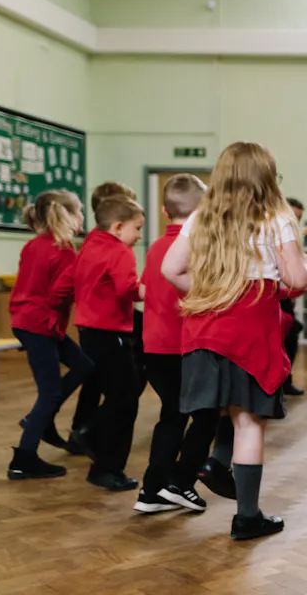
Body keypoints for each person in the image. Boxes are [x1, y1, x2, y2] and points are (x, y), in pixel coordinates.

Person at [162, 142, 307, 541]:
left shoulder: (201, 216)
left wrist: (213, 290)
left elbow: (171, 268)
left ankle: (216, 463)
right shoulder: (275, 216)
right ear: (265, 174)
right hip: (249, 330)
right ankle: (247, 517)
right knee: (248, 422)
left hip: (204, 330)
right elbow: (296, 280)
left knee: (224, 412)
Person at [133, 174, 218, 514]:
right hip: (187, 348)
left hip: (154, 348)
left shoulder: (154, 248)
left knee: (171, 416)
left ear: (165, 213)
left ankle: (151, 491)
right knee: (208, 416)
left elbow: (143, 292)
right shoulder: (200, 247)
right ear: (205, 211)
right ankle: (181, 482)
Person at [7, 191, 93, 480]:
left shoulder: (34, 244)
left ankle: (38, 420)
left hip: (29, 322)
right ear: (64, 215)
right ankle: (23, 458)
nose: (83, 217)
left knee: (84, 366)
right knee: (50, 392)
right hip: (39, 325)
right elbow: (59, 295)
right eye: (79, 211)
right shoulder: (64, 251)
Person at [61, 195, 145, 491]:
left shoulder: (89, 247)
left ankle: (90, 432)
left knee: (119, 394)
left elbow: (67, 284)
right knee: (125, 399)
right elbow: (128, 289)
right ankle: (107, 467)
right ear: (119, 226)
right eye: (137, 228)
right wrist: (154, 290)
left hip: (88, 332)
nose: (139, 236)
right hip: (111, 334)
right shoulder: (120, 252)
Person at [281, 198, 307, 397]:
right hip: (275, 296)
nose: (295, 220)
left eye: (299, 217)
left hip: (287, 297)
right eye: (294, 216)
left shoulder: (292, 236)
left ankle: (286, 381)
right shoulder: (278, 231)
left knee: (292, 336)